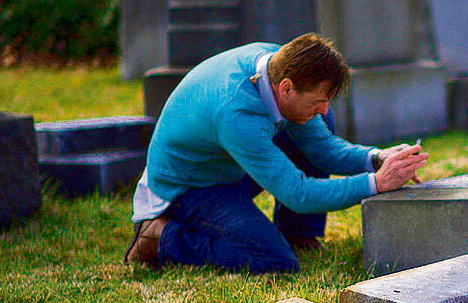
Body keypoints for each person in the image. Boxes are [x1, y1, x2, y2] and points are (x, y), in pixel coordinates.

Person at [124, 33, 429, 272]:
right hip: (190, 186)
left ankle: (298, 234)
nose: (323, 109)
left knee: (319, 123)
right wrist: (377, 183)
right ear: (285, 89)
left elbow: (321, 148)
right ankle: (159, 239)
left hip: (227, 162)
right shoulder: (237, 111)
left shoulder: (281, 65)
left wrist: (377, 158)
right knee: (273, 259)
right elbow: (298, 194)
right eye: (318, 100)